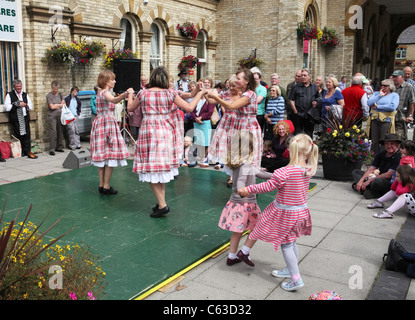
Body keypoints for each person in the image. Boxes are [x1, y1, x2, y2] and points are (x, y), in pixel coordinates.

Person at [237, 133, 318, 291]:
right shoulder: (308, 170)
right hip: (301, 212)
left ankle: (296, 279)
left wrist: (248, 189)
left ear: (291, 151)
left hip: (287, 213)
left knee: (286, 244)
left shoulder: (285, 172)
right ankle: (290, 268)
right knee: (292, 241)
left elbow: (267, 186)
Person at [127, 66, 206, 218]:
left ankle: (162, 205)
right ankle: (160, 202)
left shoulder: (143, 93)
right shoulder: (170, 93)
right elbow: (189, 107)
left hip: (148, 130)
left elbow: (130, 107)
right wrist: (200, 93)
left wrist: (131, 94)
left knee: (151, 168)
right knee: (160, 168)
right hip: (164, 130)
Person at [218, 131, 272, 266]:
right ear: (250, 148)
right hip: (246, 203)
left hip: (236, 203)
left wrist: (277, 175)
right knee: (258, 227)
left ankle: (232, 256)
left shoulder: (238, 163)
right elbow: (242, 181)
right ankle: (244, 251)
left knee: (237, 232)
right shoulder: (246, 165)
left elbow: (259, 173)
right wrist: (244, 191)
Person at [207, 68, 262, 169]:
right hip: (239, 125)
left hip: (247, 126)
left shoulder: (249, 94)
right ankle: (235, 181)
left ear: (246, 81)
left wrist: (216, 97)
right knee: (236, 159)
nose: (236, 80)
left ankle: (245, 182)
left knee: (245, 161)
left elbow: (231, 106)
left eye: (238, 78)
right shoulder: (242, 93)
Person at [90, 70, 130, 196]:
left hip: (100, 123)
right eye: (112, 79)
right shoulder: (105, 93)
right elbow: (113, 100)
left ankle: (101, 185)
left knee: (102, 156)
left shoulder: (99, 93)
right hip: (107, 123)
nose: (114, 81)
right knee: (111, 154)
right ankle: (106, 186)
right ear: (106, 81)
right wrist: (124, 95)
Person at [208, 74, 240, 187]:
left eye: (234, 86)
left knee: (238, 152)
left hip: (239, 124)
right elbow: (212, 101)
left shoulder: (243, 96)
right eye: (230, 86)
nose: (231, 88)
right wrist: (206, 91)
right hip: (226, 124)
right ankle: (230, 177)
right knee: (228, 150)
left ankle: (239, 177)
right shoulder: (225, 94)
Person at [352, 133, 402, 199]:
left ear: (397, 144)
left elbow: (388, 175)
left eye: (392, 144)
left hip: (388, 182)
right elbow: (371, 169)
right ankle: (366, 188)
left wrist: (369, 181)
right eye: (386, 144)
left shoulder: (399, 156)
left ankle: (368, 189)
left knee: (377, 182)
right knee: (356, 172)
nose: (389, 146)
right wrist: (361, 180)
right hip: (378, 176)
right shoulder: (382, 153)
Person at [4, 79, 38, 159]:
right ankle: (21, 151)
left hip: (25, 117)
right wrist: (18, 104)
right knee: (19, 135)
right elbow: (7, 107)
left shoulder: (25, 94)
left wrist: (25, 104)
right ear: (14, 87)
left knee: (27, 135)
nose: (19, 88)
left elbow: (31, 105)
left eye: (20, 86)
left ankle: (28, 151)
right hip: (16, 118)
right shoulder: (10, 94)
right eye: (17, 86)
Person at [367, 79, 399, 154]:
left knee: (384, 140)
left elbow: (392, 107)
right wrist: (379, 96)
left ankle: (384, 156)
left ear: (390, 87)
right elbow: (369, 103)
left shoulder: (394, 95)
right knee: (374, 140)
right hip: (375, 119)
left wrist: (378, 106)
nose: (382, 87)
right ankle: (373, 157)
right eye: (382, 85)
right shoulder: (376, 94)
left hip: (386, 120)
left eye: (385, 86)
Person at [288, 68, 322, 137]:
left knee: (309, 134)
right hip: (299, 115)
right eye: (302, 75)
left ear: (309, 77)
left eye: (305, 75)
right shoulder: (296, 87)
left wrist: (316, 101)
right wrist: (295, 111)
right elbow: (291, 99)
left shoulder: (314, 87)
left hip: (310, 115)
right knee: (298, 134)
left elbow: (319, 97)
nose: (303, 77)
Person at [191, 79, 216, 167]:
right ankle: (199, 156)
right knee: (198, 140)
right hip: (196, 122)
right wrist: (195, 118)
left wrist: (201, 117)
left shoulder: (210, 97)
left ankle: (205, 158)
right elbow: (192, 109)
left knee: (206, 141)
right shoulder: (197, 97)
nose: (206, 84)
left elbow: (210, 112)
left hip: (205, 122)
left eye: (208, 83)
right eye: (204, 83)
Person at [390, 70, 415, 140]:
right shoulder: (391, 86)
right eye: (393, 77)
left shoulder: (408, 87)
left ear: (402, 77)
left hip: (401, 117)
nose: (394, 78)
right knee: (389, 138)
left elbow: (412, 102)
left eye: (396, 77)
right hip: (389, 117)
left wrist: (410, 115)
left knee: (400, 138)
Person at [46, 81, 65, 156]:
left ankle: (59, 146)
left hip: (60, 115)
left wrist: (57, 105)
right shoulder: (49, 95)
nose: (56, 90)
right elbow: (51, 107)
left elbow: (63, 105)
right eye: (54, 89)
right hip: (52, 116)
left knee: (60, 131)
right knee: (53, 131)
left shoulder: (60, 95)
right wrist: (59, 105)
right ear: (52, 88)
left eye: (57, 89)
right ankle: (52, 149)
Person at [64, 86, 82, 150]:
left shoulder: (77, 100)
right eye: (75, 91)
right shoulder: (67, 99)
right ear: (72, 91)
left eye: (77, 91)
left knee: (76, 130)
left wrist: (78, 113)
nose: (76, 92)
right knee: (71, 130)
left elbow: (79, 107)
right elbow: (64, 107)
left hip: (75, 116)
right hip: (69, 117)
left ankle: (78, 144)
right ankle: (72, 145)